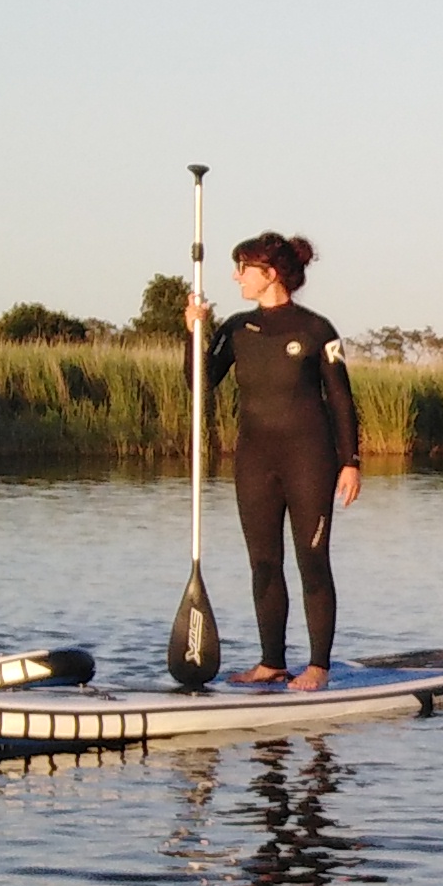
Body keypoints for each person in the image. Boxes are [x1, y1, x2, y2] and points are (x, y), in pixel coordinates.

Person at [186, 231, 365, 689]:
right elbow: (199, 384)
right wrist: (194, 334)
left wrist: (351, 461)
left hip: (310, 460)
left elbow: (341, 399)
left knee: (312, 560)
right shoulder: (236, 329)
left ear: (269, 274)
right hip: (254, 460)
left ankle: (319, 666)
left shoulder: (316, 329)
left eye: (242, 268)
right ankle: (271, 663)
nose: (235, 276)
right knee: (264, 563)